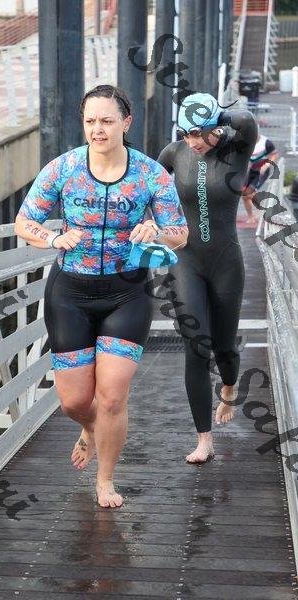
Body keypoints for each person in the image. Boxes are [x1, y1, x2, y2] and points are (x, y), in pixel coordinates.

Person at [14, 84, 188, 508]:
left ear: (126, 123)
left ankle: (105, 480)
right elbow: (24, 221)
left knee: (111, 396)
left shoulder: (150, 174)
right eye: (90, 121)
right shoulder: (63, 169)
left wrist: (156, 230)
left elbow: (180, 233)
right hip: (70, 292)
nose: (98, 129)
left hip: (127, 292)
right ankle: (90, 428)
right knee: (74, 401)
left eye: (107, 121)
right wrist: (52, 238)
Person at [157, 92, 258, 464]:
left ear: (216, 126)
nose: (192, 141)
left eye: (197, 133)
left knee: (224, 348)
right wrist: (152, 222)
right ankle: (204, 439)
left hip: (226, 262)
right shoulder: (174, 154)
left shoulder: (237, 150)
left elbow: (246, 120)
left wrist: (216, 114)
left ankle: (229, 385)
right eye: (185, 133)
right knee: (196, 345)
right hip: (186, 261)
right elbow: (145, 187)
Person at [242, 131, 279, 223]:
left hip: (262, 172)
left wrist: (266, 165)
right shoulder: (246, 142)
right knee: (244, 195)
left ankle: (266, 209)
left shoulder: (266, 142)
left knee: (248, 193)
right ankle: (251, 216)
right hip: (252, 170)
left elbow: (275, 154)